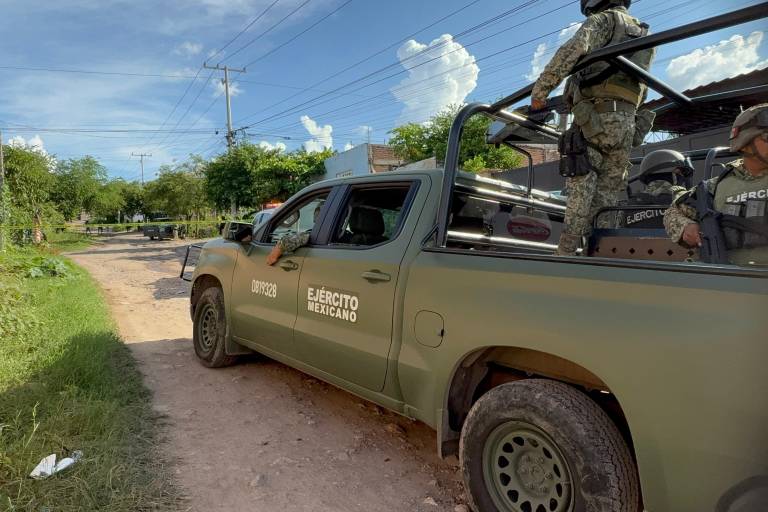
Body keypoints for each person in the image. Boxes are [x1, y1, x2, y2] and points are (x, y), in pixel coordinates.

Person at [531, 0, 655, 255]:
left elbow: (573, 49)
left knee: (580, 193)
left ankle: (564, 258)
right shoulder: (644, 33)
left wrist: (541, 91)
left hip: (596, 120)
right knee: (607, 200)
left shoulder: (605, 20)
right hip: (627, 123)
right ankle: (600, 255)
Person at [664, 104, 768, 266]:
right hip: (722, 276)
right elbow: (673, 212)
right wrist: (686, 226)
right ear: (745, 143)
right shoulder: (714, 187)